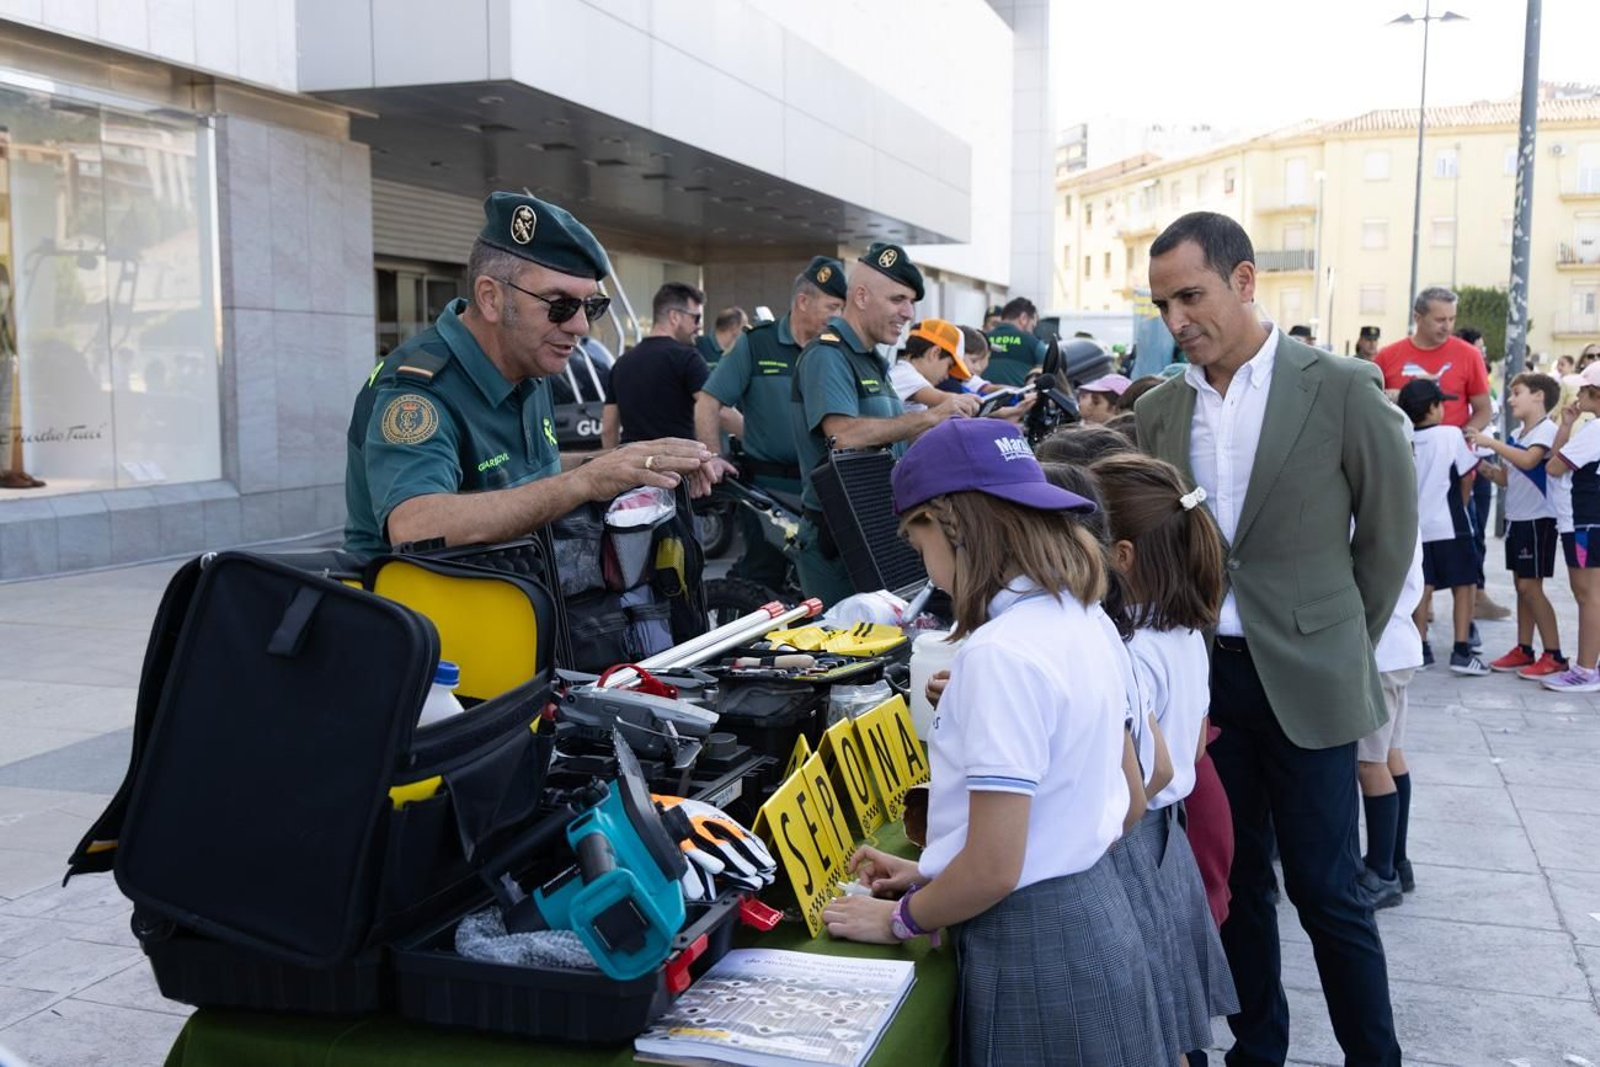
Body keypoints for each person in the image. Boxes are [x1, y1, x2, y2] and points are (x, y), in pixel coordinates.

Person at [1135, 211, 1414, 1067]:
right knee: (1239, 884)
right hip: (1208, 683)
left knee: (1330, 890)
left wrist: (1333, 641)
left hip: (1311, 681)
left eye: (1191, 295)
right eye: (1162, 304)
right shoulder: (1157, 409)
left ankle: (1376, 1056)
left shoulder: (1337, 385)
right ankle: (1258, 1050)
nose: (1177, 320)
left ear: (1245, 281)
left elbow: (1388, 537)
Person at [821, 417, 1165, 1065]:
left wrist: (902, 917)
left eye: (918, 540)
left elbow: (996, 867)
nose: (925, 565)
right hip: (1093, 920)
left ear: (953, 525)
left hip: (1035, 944)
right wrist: (934, 868)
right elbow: (1121, 800)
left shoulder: (1000, 653)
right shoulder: (1081, 617)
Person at [342, 192, 711, 557]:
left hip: (513, 598)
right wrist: (581, 483)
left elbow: (533, 474)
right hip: (423, 611)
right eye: (560, 305)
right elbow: (414, 523)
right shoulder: (417, 388)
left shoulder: (526, 364)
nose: (580, 325)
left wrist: (631, 462)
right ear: (490, 298)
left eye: (591, 306)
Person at [1092, 450, 1241, 1065]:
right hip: (1166, 841)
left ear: (1121, 556)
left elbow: (1142, 771)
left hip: (1131, 841)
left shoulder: (1132, 650)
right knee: (1169, 1026)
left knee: (1146, 1030)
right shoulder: (1180, 633)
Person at [787, 244, 975, 606]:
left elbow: (893, 436)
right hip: (839, 541)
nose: (908, 313)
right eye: (898, 299)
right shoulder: (827, 355)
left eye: (910, 302)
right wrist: (931, 416)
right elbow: (843, 435)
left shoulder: (873, 361)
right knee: (848, 650)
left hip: (876, 527)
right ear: (860, 296)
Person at [694, 257, 846, 589]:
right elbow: (709, 401)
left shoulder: (837, 350)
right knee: (763, 581)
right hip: (769, 491)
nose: (839, 316)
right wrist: (713, 457)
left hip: (825, 490)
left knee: (825, 583)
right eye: (832, 306)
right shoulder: (757, 342)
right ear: (803, 302)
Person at [1375, 287, 1507, 623]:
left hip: (1455, 475)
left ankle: (1473, 606)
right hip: (1404, 474)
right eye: (1439, 319)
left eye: (1451, 319)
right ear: (1418, 317)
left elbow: (1482, 409)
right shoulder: (1389, 357)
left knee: (1466, 544)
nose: (1447, 326)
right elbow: (1370, 407)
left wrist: (1459, 444)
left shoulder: (1467, 355)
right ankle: (1418, 614)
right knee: (1410, 551)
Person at [1468, 373, 1567, 678]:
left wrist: (1490, 442)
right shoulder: (1517, 433)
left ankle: (1555, 654)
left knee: (1530, 587)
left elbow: (1528, 462)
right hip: (1518, 519)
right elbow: (1508, 478)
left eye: (1517, 393)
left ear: (1539, 396)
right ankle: (1524, 649)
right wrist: (1477, 464)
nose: (1510, 400)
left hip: (1539, 520)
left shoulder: (1547, 430)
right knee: (1521, 588)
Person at [1354, 528, 1424, 909]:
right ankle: (1398, 861)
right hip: (1400, 646)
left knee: (1370, 764)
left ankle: (1382, 872)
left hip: (1380, 655)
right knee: (1392, 756)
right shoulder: (1404, 514)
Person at [1402, 379, 1486, 675]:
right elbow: (1466, 475)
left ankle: (1420, 648)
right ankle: (1461, 650)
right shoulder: (1450, 435)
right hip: (1451, 524)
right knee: (1465, 584)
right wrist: (1462, 507)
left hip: (1416, 526)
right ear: (1433, 407)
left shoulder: (1403, 435)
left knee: (1422, 586)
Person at [1542, 363, 1600, 692]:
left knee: (1586, 595)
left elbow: (1553, 465)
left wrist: (1567, 429)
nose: (1577, 395)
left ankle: (1585, 669)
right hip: (1592, 521)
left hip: (1584, 522)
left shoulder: (1594, 430)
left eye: (1583, 389)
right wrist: (1566, 424)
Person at [603, 282, 714, 449]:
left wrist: (611, 465)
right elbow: (712, 408)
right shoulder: (688, 358)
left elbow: (608, 429)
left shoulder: (622, 363)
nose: (698, 326)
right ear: (674, 316)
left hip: (633, 467)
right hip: (678, 466)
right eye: (695, 317)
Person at [889, 319, 973, 412]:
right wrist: (974, 403)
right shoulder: (907, 376)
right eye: (949, 366)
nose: (947, 376)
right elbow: (943, 398)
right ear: (935, 353)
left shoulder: (904, 372)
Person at [984, 297, 1049, 386]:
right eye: (1032, 326)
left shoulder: (982, 340)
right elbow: (1048, 376)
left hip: (982, 398)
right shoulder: (1035, 344)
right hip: (1021, 398)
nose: (1032, 331)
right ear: (1023, 318)